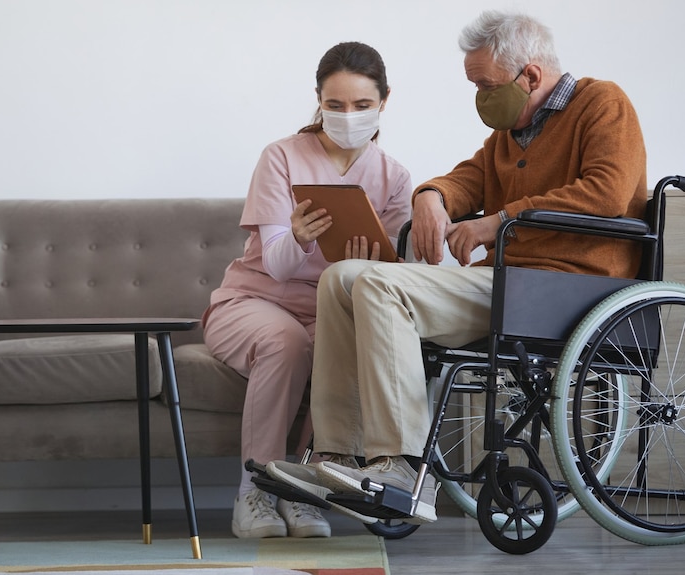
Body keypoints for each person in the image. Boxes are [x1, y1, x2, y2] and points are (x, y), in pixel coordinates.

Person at [266, 9, 647, 525]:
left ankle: (400, 466)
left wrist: (497, 221)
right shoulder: (511, 134)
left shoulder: (603, 104)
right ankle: (337, 454)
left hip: (568, 287)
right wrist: (430, 196)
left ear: (529, 76)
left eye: (485, 85)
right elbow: (464, 179)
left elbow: (606, 193)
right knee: (341, 277)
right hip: (508, 284)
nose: (480, 98)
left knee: (379, 284)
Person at [202, 41, 413, 538]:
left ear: (384, 101)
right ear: (318, 100)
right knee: (287, 341)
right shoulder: (281, 158)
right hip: (254, 302)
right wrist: (297, 237)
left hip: (331, 310)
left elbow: (400, 269)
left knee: (342, 347)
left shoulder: (395, 177)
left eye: (362, 106)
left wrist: (366, 262)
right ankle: (254, 491)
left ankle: (304, 490)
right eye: (335, 105)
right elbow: (274, 266)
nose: (348, 116)